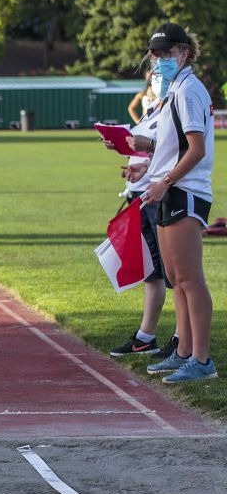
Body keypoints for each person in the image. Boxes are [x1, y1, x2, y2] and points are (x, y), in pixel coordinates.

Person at [125, 23, 217, 383]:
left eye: (167, 53)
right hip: (169, 187)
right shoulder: (174, 90)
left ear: (184, 53)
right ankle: (184, 353)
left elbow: (196, 149)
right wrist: (146, 164)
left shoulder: (188, 90)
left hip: (184, 189)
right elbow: (171, 145)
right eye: (156, 54)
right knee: (176, 279)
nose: (160, 60)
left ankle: (202, 359)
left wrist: (164, 181)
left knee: (190, 279)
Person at [105, 102, 178, 359]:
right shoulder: (153, 109)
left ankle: (183, 339)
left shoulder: (178, 101)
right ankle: (145, 337)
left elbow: (178, 148)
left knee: (176, 273)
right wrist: (124, 148)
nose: (156, 71)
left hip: (163, 193)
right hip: (143, 192)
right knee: (152, 270)